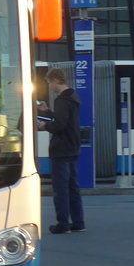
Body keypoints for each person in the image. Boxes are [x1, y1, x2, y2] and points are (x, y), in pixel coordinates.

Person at [37, 67, 84, 234]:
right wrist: (47, 112)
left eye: (49, 82)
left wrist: (44, 126)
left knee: (60, 189)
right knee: (72, 187)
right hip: (72, 147)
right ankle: (78, 222)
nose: (49, 86)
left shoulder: (62, 100)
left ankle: (63, 224)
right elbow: (64, 120)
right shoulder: (73, 97)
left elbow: (59, 125)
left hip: (61, 149)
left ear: (56, 80)